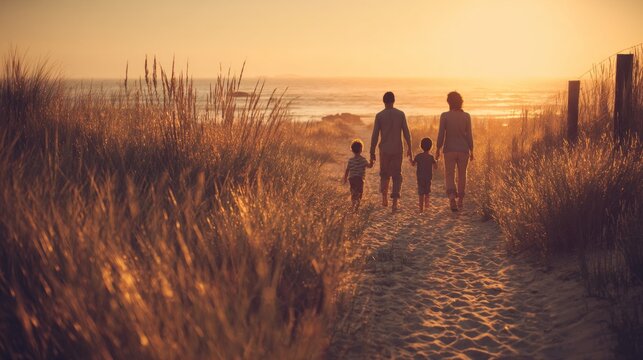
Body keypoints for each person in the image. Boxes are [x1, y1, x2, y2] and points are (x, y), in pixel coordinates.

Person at [369, 91, 412, 212]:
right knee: (397, 175)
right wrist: (410, 148)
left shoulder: (379, 115)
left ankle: (384, 197)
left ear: (384, 101)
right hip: (398, 148)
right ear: (394, 101)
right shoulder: (400, 114)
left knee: (384, 174)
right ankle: (394, 203)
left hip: (385, 149)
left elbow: (375, 136)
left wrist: (372, 152)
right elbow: (407, 133)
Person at [435, 91, 474, 212]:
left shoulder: (445, 116)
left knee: (449, 174)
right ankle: (460, 200)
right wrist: (472, 150)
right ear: (461, 102)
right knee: (462, 175)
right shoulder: (466, 116)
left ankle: (452, 198)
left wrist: (438, 148)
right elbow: (469, 135)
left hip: (449, 150)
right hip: (463, 149)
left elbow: (441, 134)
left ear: (448, 102)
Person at [343, 139, 373, 211]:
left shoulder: (350, 160)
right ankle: (357, 206)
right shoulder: (363, 160)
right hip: (359, 179)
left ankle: (353, 204)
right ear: (361, 149)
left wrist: (345, 178)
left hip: (352, 179)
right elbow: (369, 166)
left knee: (353, 191)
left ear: (352, 150)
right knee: (360, 192)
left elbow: (347, 170)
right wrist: (372, 161)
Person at [410, 137, 438, 213]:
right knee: (427, 192)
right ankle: (427, 206)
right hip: (428, 177)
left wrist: (410, 159)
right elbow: (435, 167)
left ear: (421, 146)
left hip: (420, 177)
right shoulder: (431, 157)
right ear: (431, 147)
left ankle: (421, 208)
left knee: (421, 192)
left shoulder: (418, 156)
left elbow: (413, 164)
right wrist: (437, 160)